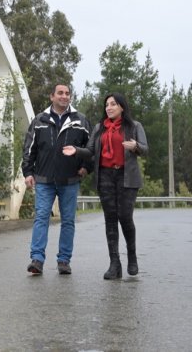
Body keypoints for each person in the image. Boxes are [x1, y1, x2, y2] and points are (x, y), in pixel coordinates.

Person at [63, 92, 148, 280]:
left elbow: (145, 148)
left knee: (125, 217)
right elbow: (91, 151)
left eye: (113, 104)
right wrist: (76, 150)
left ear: (122, 107)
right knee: (110, 219)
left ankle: (132, 257)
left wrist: (135, 146)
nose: (108, 107)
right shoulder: (99, 128)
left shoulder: (134, 126)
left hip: (127, 177)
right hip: (105, 176)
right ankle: (114, 264)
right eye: (107, 105)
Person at [22, 83, 91, 275]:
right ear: (52, 96)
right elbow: (29, 149)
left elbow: (91, 149)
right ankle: (37, 259)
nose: (64, 96)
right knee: (41, 217)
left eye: (67, 93)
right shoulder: (39, 120)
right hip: (44, 180)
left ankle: (64, 261)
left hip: (70, 180)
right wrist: (27, 172)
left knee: (68, 221)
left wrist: (86, 167)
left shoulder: (81, 121)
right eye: (60, 93)